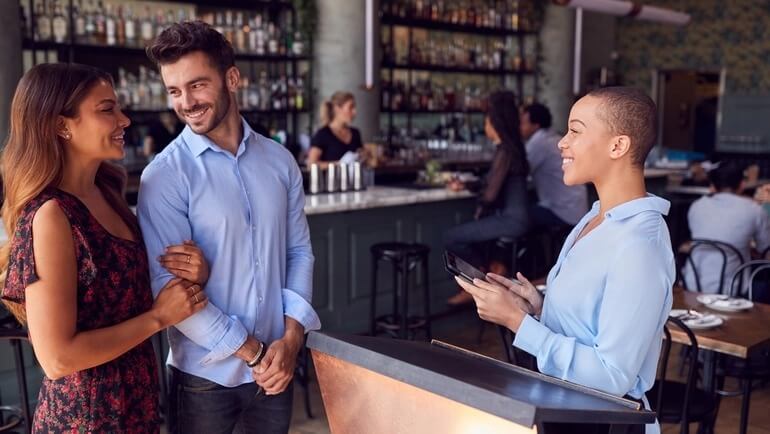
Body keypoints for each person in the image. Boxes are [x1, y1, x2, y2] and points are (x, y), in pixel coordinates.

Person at [0, 63, 209, 433]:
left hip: (137, 405)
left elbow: (127, 293)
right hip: (87, 418)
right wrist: (159, 318)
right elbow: (58, 358)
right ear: (61, 125)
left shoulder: (108, 191)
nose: (124, 120)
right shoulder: (50, 215)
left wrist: (191, 272)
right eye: (106, 109)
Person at [455, 87, 674, 434]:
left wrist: (517, 322)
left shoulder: (639, 245)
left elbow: (612, 376)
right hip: (563, 409)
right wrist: (540, 308)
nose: (561, 142)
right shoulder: (594, 218)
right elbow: (589, 324)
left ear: (618, 146)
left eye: (576, 130)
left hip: (602, 425)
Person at [139, 21, 320, 434]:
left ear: (232, 78)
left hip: (277, 369)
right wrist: (254, 354)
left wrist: (291, 341)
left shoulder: (280, 161)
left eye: (197, 85)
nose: (186, 102)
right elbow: (169, 289)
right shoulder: (165, 176)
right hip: (205, 378)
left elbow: (298, 253)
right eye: (174, 91)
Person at [444, 90, 530, 306]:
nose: (485, 126)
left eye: (487, 121)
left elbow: (490, 195)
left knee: (451, 237)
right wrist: (468, 184)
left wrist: (477, 201)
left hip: (511, 221)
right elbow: (493, 183)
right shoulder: (512, 149)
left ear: (495, 123)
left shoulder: (505, 151)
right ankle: (491, 276)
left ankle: (479, 284)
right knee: (475, 238)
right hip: (516, 219)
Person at [683, 163, 770, 294]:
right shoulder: (754, 210)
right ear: (742, 184)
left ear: (713, 186)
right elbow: (765, 252)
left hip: (692, 285)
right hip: (733, 290)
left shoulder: (697, 206)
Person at [519, 103, 588, 229]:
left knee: (517, 217)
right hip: (575, 206)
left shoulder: (539, 144)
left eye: (523, 123)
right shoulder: (552, 137)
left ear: (535, 125)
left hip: (562, 211)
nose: (519, 127)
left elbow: (521, 172)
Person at [307, 91, 363, 166]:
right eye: (351, 107)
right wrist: (340, 164)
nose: (354, 112)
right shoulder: (322, 134)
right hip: (330, 177)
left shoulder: (355, 133)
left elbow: (361, 157)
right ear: (337, 108)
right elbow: (311, 164)